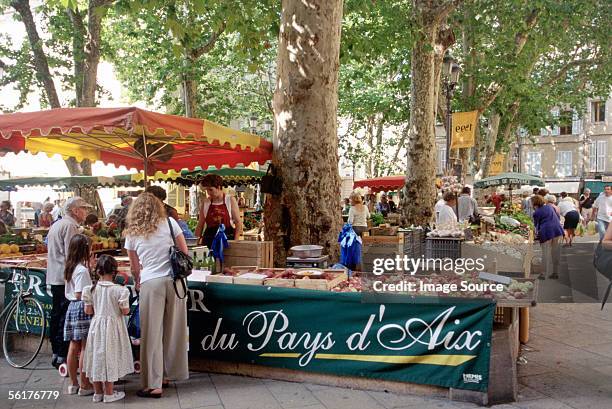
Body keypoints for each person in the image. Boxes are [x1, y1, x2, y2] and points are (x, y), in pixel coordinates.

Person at [124, 193, 189, 398]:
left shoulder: (132, 233)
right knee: (173, 331)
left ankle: (154, 384)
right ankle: (168, 375)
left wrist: (137, 282)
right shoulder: (170, 223)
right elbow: (184, 251)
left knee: (151, 334)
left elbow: (135, 268)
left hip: (151, 282)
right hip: (176, 282)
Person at [46, 197, 93, 369]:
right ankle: (62, 354)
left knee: (57, 314)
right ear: (75, 210)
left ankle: (57, 352)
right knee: (64, 315)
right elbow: (72, 254)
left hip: (56, 275)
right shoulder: (70, 226)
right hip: (65, 277)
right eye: (84, 208)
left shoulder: (57, 224)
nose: (86, 212)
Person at [82, 255, 133, 403]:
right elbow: (125, 311)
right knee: (109, 356)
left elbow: (88, 311)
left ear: (98, 271)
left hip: (96, 327)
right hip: (113, 328)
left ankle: (98, 393)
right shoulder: (120, 290)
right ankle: (109, 393)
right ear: (114, 272)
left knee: (97, 356)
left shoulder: (90, 289)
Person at [63, 234, 94, 396]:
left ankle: (73, 384)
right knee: (84, 347)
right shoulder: (82, 270)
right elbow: (79, 293)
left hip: (71, 308)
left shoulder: (70, 266)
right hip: (81, 307)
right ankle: (84, 384)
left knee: (73, 346)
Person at [195, 174, 243, 247]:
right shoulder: (205, 203)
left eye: (211, 189)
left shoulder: (230, 200)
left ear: (219, 187)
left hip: (227, 240)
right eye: (207, 190)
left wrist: (235, 241)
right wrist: (196, 243)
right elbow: (200, 225)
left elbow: (238, 222)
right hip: (209, 240)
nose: (208, 192)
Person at [532, 194, 564, 279]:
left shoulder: (536, 212)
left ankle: (543, 274)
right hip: (558, 230)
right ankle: (555, 272)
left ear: (534, 204)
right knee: (555, 253)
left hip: (546, 232)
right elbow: (557, 217)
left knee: (545, 254)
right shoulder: (550, 207)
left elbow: (536, 225)